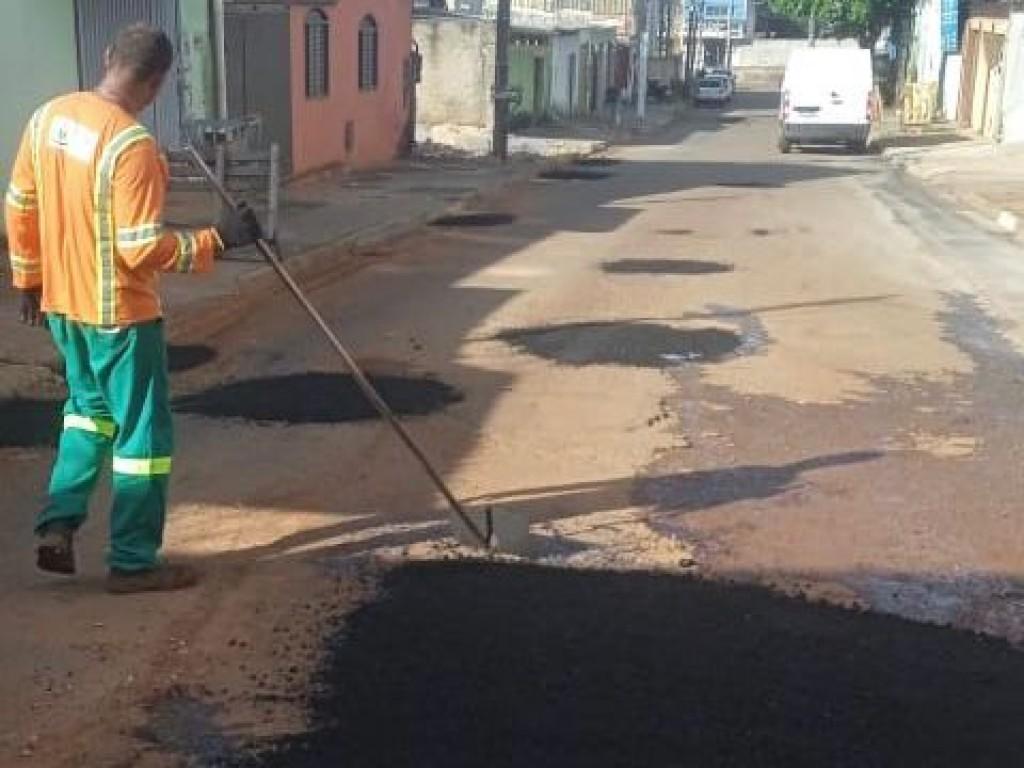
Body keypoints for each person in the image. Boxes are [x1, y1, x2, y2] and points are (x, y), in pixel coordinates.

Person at [4, 24, 261, 593]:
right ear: (158, 82)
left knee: (86, 416)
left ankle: (59, 523)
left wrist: (29, 277)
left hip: (63, 307)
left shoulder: (48, 118)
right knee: (142, 439)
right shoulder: (131, 146)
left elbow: (19, 203)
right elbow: (139, 246)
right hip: (120, 316)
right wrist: (217, 239)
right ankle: (132, 561)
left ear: (106, 59)